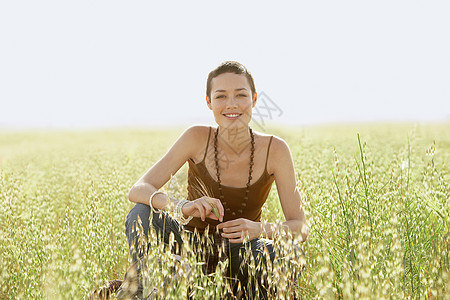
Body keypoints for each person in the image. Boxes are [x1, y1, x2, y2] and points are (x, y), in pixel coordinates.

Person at [116, 61, 309, 299]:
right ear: (208, 102)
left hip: (241, 252)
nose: (231, 104)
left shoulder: (275, 149)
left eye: (241, 95)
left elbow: (300, 227)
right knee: (141, 213)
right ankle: (139, 290)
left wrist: (258, 229)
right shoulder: (196, 137)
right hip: (189, 246)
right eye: (221, 96)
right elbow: (139, 189)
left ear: (254, 99)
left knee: (288, 255)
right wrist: (183, 207)